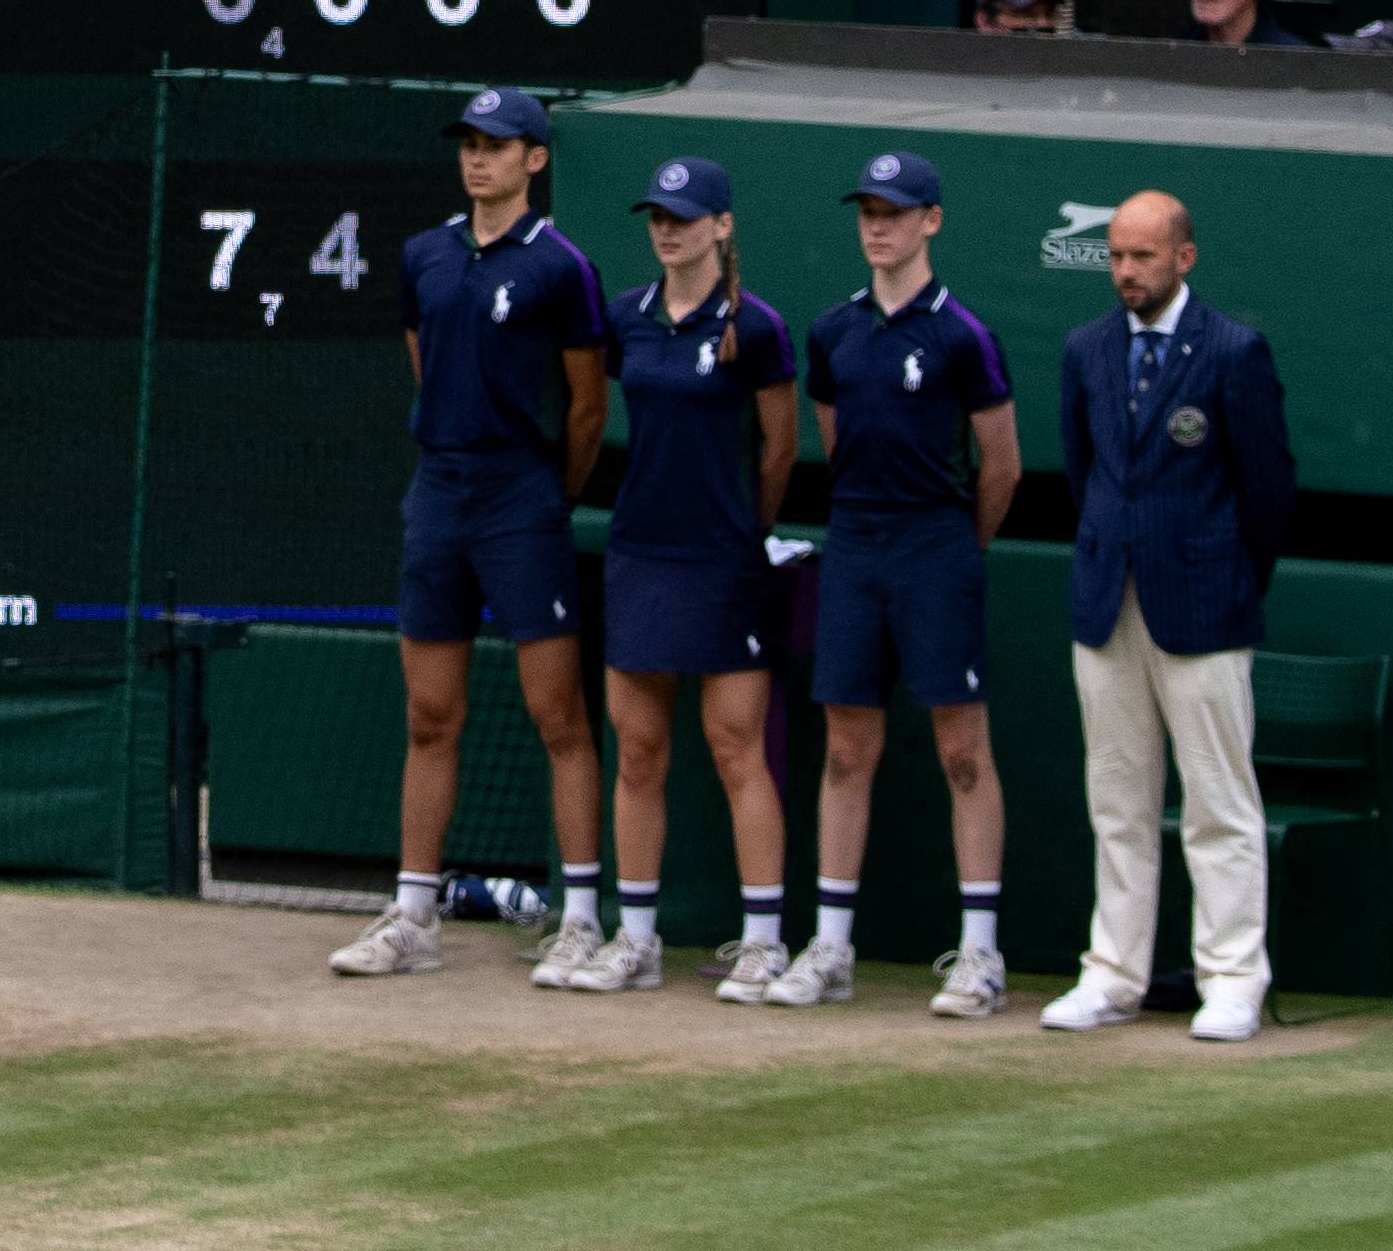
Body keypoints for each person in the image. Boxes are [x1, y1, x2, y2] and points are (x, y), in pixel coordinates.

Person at [326, 85, 611, 976]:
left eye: (497, 144)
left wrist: (543, 494)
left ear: (535, 158)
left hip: (521, 500)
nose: (478, 157)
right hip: (438, 495)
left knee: (556, 713)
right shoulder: (423, 256)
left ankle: (582, 918)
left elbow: (589, 407)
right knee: (429, 712)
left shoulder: (562, 267)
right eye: (469, 144)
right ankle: (414, 917)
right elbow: (427, 362)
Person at [1039, 180, 1297, 1043]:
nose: (1125, 271)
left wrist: (1224, 576)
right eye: (1115, 255)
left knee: (1221, 804)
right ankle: (1113, 973)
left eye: (1142, 256)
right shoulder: (1086, 349)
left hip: (1205, 604)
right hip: (1106, 599)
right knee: (1117, 798)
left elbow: (1267, 490)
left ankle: (1232, 979)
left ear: (1183, 257)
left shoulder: (1232, 352)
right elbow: (1084, 474)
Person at [562, 153, 805, 1002]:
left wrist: (746, 527)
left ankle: (765, 942)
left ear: (722, 226)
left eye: (684, 216)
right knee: (638, 749)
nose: (667, 229)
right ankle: (635, 939)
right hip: (641, 554)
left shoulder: (758, 328)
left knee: (737, 747)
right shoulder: (625, 320)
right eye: (658, 217)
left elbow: (779, 450)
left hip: (723, 560)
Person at [788, 143, 1022, 1019]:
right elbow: (835, 437)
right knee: (848, 750)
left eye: (894, 213)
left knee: (963, 752)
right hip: (854, 546)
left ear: (931, 221)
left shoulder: (964, 336)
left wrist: (958, 551)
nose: (877, 227)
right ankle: (832, 947)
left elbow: (1000, 467)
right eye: (867, 213)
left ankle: (980, 955)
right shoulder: (833, 331)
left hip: (936, 550)